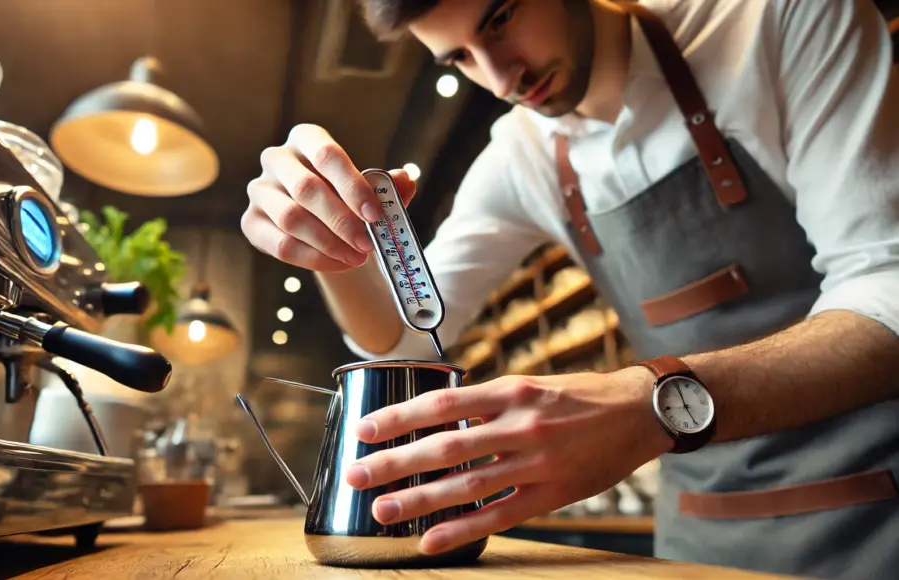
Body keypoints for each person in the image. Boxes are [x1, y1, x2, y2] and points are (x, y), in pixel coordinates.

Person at [240, 0, 899, 578]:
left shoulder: (776, 19)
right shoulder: (518, 158)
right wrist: (332, 248)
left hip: (873, 520)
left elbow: (885, 286)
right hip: (696, 535)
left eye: (500, 18)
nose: (501, 78)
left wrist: (650, 403)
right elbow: (403, 340)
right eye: (459, 60)